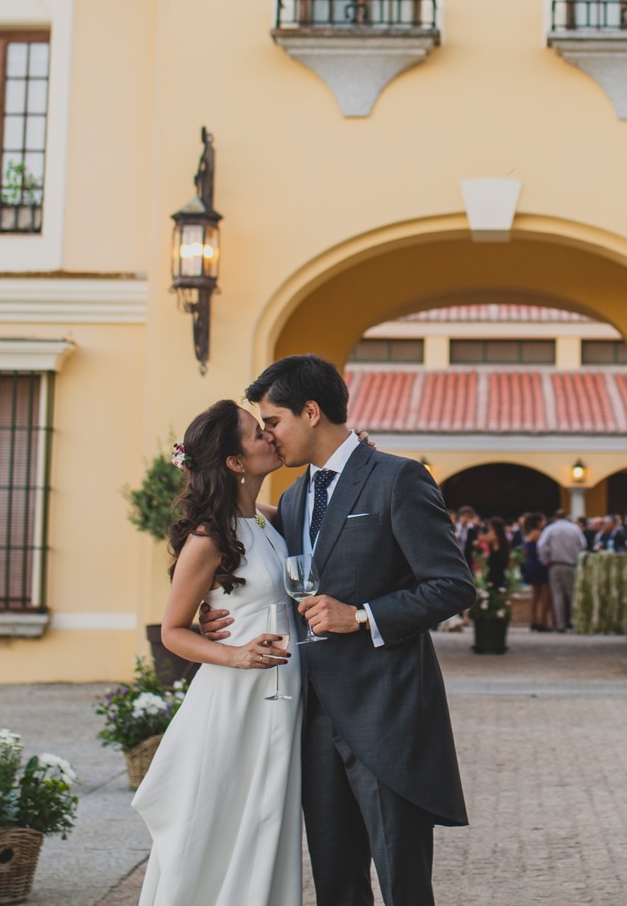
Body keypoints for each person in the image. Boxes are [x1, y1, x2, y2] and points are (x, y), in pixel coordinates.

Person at [207, 354, 473, 906]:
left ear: (310, 411)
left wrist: (363, 616)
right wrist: (217, 614)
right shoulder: (296, 497)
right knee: (336, 887)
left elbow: (452, 586)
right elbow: (252, 559)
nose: (271, 437)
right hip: (311, 720)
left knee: (404, 888)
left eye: (274, 422)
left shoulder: (398, 478)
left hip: (387, 716)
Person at [131, 399, 300, 906]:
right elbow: (173, 631)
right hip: (234, 702)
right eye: (256, 433)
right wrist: (237, 654)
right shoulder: (208, 537)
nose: (270, 436)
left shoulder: (268, 521)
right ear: (234, 462)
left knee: (268, 823)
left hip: (280, 699)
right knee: (221, 825)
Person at [536, 509, 586, 633]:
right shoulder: (574, 528)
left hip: (555, 564)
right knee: (571, 594)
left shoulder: (550, 529)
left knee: (557, 595)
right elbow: (583, 544)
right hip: (570, 564)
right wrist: (577, 557)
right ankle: (573, 621)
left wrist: (545, 560)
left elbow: (541, 545)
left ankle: (560, 624)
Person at [518, 513, 552, 631]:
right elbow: (543, 549)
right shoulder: (538, 534)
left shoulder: (527, 534)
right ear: (538, 522)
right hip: (539, 564)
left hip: (531, 563)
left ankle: (533, 620)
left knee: (535, 595)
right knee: (544, 594)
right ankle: (542, 621)